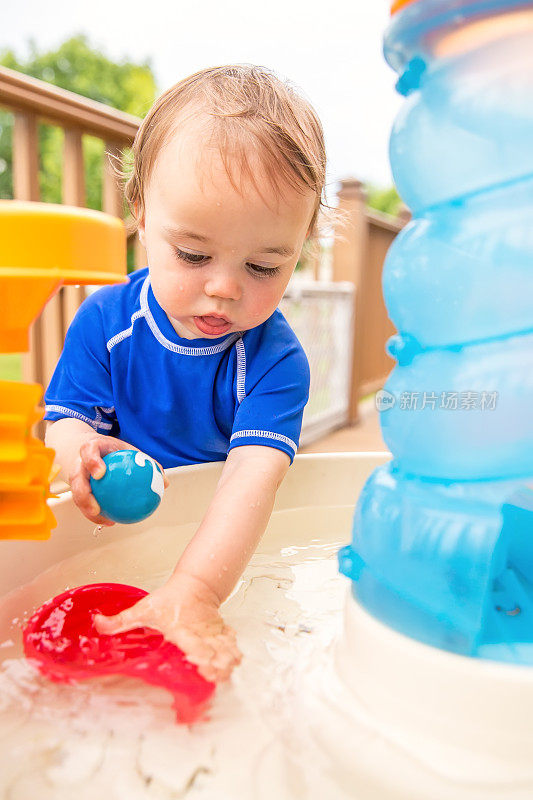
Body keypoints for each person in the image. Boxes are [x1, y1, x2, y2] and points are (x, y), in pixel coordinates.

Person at [44, 64, 327, 683]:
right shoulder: (107, 326)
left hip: (222, 550)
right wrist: (77, 451)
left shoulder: (275, 362)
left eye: (264, 266)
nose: (224, 288)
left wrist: (195, 592)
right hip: (119, 536)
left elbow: (253, 481)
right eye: (193, 255)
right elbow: (64, 419)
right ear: (142, 212)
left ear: (299, 249)